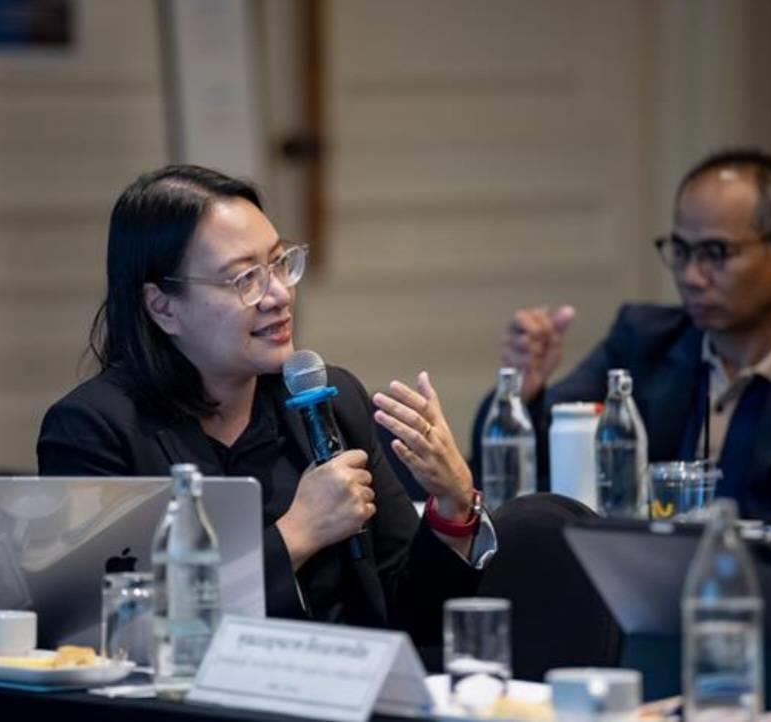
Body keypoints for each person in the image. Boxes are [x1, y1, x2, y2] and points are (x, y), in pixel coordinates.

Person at [39, 165, 492, 647]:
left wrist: (453, 506)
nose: (279, 294)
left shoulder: (330, 403)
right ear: (163, 306)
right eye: (244, 278)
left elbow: (413, 624)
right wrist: (295, 535)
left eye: (279, 264)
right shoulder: (96, 429)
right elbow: (104, 634)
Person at [470, 149, 771, 525]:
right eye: (681, 251)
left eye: (716, 253)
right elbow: (527, 470)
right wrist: (522, 394)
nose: (691, 277)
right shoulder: (643, 341)